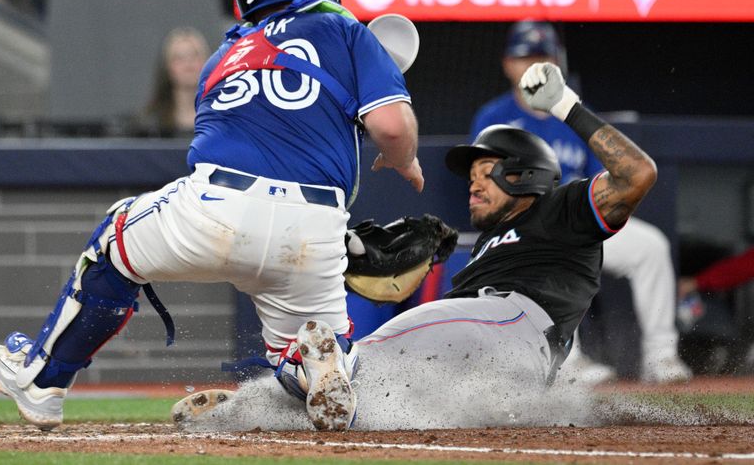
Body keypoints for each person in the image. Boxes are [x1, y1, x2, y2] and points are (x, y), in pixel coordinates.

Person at [0, 0, 423, 433]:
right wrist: (404, 161)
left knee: (115, 238)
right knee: (300, 347)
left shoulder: (222, 55)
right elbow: (390, 127)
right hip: (313, 227)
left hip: (216, 208)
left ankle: (42, 381)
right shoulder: (345, 28)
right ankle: (317, 362)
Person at [172, 60, 661, 430]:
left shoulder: (562, 206)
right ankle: (251, 410)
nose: (472, 185)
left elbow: (637, 174)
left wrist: (563, 105)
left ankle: (279, 390)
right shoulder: (488, 246)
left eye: (483, 172)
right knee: (388, 399)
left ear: (524, 174)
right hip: (493, 358)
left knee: (368, 352)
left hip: (518, 324)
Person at [469, 21, 692, 384]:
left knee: (651, 246)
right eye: (525, 56)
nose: (532, 65)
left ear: (557, 63)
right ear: (508, 63)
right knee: (547, 252)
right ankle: (568, 365)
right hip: (529, 225)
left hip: (579, 216)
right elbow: (485, 184)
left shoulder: (572, 113)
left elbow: (605, 180)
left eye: (542, 57)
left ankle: (661, 357)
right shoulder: (494, 117)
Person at [135, 26, 211, 137]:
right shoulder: (149, 125)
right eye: (179, 58)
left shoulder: (224, 119)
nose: (188, 64)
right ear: (167, 67)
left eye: (194, 55)